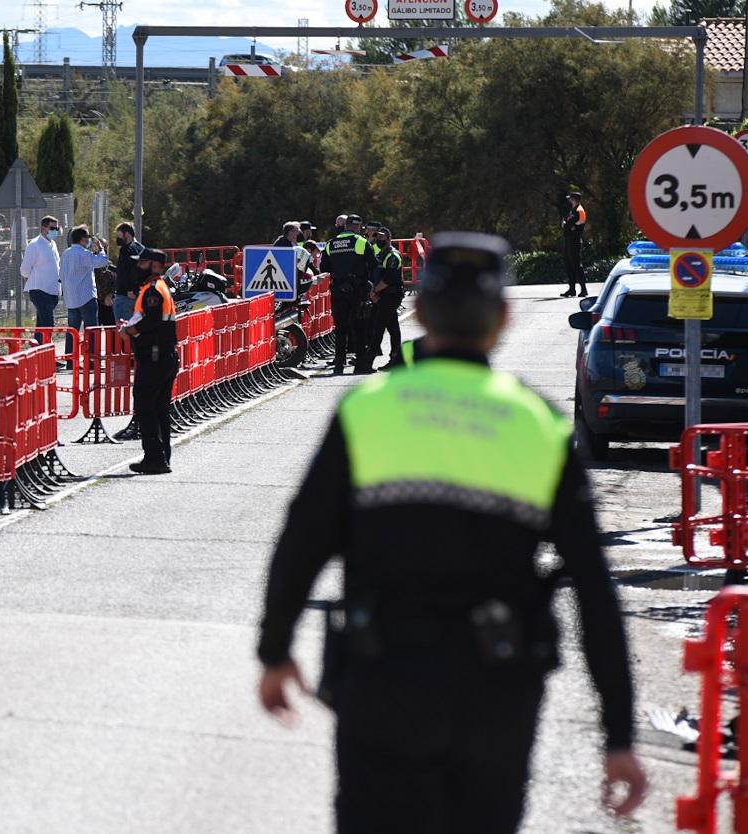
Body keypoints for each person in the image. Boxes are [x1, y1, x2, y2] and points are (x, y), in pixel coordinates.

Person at [257, 231, 647, 834]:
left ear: (417, 311)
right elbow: (594, 587)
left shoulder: (367, 410)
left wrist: (275, 650)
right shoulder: (538, 424)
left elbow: (302, 540)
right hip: (496, 696)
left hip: (383, 683)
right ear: (504, 318)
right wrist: (618, 733)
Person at [119, 248, 176, 475]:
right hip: (163, 356)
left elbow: (149, 322)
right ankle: (162, 457)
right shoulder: (157, 288)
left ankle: (155, 458)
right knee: (159, 409)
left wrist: (129, 330)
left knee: (146, 408)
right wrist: (131, 327)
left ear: (155, 266)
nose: (137, 267)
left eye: (142, 263)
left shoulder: (153, 290)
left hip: (155, 357)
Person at [323, 214, 377, 375]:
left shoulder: (330, 244)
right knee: (359, 327)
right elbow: (373, 264)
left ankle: (339, 364)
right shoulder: (361, 242)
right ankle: (360, 365)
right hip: (358, 290)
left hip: (338, 290)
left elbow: (324, 268)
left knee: (340, 328)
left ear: (346, 226)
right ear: (356, 226)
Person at [59, 225, 110, 361]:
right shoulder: (84, 253)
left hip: (71, 298)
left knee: (72, 331)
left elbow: (61, 274)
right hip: (86, 297)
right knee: (92, 330)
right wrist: (101, 249)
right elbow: (102, 262)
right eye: (87, 237)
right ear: (83, 239)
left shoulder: (65, 254)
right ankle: (92, 359)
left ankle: (70, 359)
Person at [21, 216, 63, 345]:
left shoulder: (53, 244)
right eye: (52, 228)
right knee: (48, 324)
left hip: (52, 291)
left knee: (42, 325)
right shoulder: (35, 244)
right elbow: (24, 269)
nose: (55, 230)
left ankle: (38, 354)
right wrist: (32, 282)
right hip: (39, 290)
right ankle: (47, 356)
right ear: (43, 228)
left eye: (57, 228)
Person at [368, 226, 404, 364]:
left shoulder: (393, 256)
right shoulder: (380, 254)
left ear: (389, 239)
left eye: (382, 237)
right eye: (377, 237)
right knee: (393, 327)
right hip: (381, 295)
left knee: (379, 327)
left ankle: (368, 359)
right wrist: (373, 292)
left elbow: (389, 279)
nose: (378, 239)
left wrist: (375, 291)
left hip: (391, 295)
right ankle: (396, 359)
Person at [113, 221, 146, 325]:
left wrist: (130, 289)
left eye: (119, 235)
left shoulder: (125, 250)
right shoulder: (142, 248)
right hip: (139, 295)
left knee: (123, 330)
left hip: (125, 295)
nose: (118, 238)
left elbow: (128, 270)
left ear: (127, 234)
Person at [561, 191, 588, 298]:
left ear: (574, 199)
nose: (569, 200)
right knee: (569, 265)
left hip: (575, 240)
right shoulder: (573, 210)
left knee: (576, 265)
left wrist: (566, 225)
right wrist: (566, 225)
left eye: (570, 199)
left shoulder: (579, 210)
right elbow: (568, 224)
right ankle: (572, 289)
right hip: (568, 240)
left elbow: (570, 225)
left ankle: (583, 289)